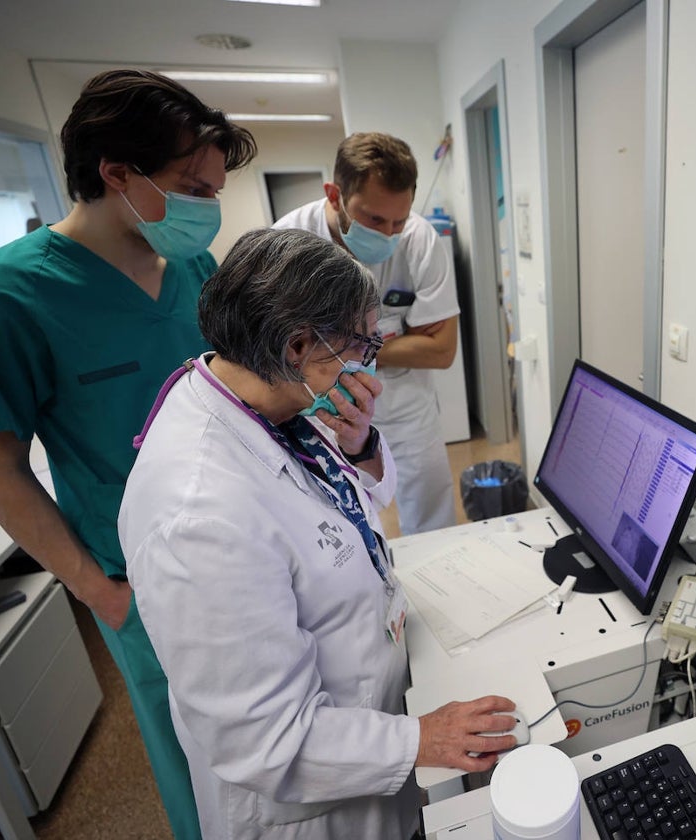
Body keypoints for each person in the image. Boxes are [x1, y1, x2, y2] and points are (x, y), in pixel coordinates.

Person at [118, 227, 518, 840]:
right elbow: (269, 742)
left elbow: (334, 512)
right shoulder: (199, 517)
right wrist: (423, 738)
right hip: (313, 809)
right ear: (298, 344)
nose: (369, 362)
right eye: (362, 344)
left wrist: (356, 444)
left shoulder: (253, 394)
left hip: (369, 702)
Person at [0, 69, 256, 839]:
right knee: (195, 760)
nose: (207, 211)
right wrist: (101, 592)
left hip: (241, 544)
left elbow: (228, 393)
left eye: (213, 190)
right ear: (116, 172)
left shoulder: (190, 268)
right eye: (192, 188)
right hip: (137, 576)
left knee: (268, 737)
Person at [273, 131, 458, 535]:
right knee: (335, 528)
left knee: (432, 517)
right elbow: (282, 353)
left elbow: (441, 351)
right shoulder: (288, 244)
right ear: (335, 195)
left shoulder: (420, 240)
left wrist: (339, 347)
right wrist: (396, 342)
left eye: (399, 220)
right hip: (321, 411)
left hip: (407, 406)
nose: (389, 234)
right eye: (375, 219)